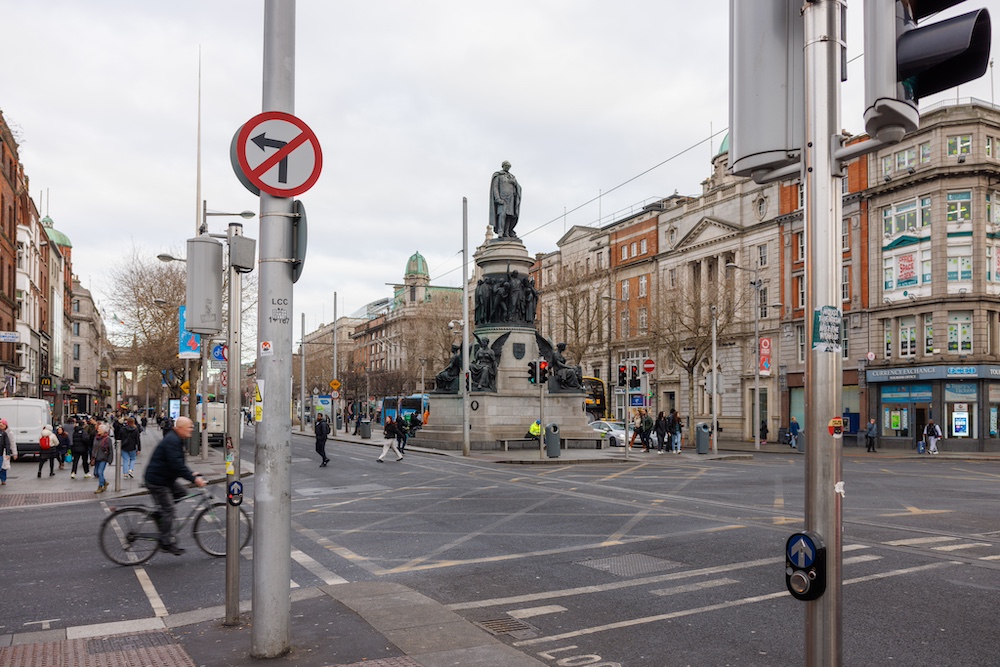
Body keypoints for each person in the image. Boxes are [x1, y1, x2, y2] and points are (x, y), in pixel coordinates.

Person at [143, 416, 207, 555]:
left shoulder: (176, 439)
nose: (192, 429)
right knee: (169, 510)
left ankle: (160, 515)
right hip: (158, 481)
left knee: (181, 492)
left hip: (165, 478)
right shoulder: (172, 441)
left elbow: (178, 463)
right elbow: (177, 465)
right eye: (189, 427)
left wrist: (192, 473)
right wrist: (194, 479)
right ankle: (166, 542)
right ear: (180, 428)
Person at [489, 160, 522, 238]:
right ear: (503, 166)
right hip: (502, 199)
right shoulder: (498, 176)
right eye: (506, 165)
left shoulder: (512, 177)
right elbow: (495, 188)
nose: (508, 167)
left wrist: (514, 184)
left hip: (511, 199)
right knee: (502, 215)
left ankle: (506, 232)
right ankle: (500, 231)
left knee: (509, 216)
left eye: (509, 166)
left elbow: (518, 187)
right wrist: (497, 198)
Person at [91, 422, 114, 494]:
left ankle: (100, 486)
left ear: (104, 430)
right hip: (96, 457)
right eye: (98, 429)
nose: (98, 430)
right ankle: (104, 482)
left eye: (100, 429)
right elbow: (94, 447)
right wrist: (93, 455)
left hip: (103, 458)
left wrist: (110, 460)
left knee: (100, 472)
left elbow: (110, 450)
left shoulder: (107, 439)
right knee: (97, 472)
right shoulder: (96, 438)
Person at [0, 419, 16, 486]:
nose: (1, 426)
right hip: (1, 452)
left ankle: (3, 480)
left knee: (4, 467)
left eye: (3, 425)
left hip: (4, 452)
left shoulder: (8, 433)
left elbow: (11, 443)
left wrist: (14, 453)